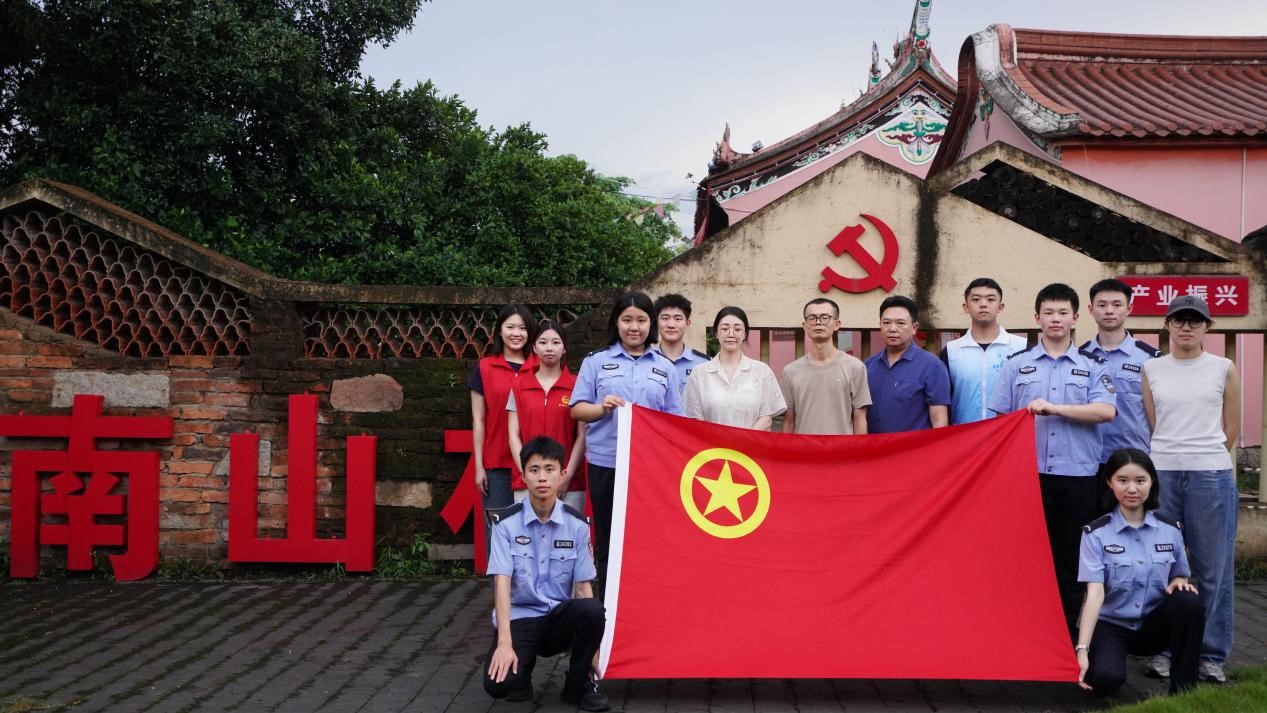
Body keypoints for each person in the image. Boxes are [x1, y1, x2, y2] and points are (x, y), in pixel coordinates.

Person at [989, 282, 1116, 639]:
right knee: (1025, 554)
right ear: (1036, 318)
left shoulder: (1092, 365)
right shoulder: (1018, 365)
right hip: (1027, 476)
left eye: (1063, 313)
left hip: (1078, 477)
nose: (1055, 319)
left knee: (1072, 556)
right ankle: (1024, 629)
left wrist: (1054, 408)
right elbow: (1000, 420)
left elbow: (1106, 411)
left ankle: (1068, 632)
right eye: (1048, 313)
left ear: (1076, 318)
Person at [1142, 295, 1241, 683]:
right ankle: (1166, 648)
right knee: (1163, 563)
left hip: (1210, 474)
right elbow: (1155, 422)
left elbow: (1231, 428)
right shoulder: (1152, 368)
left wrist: (1205, 453)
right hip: (1164, 471)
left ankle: (1211, 654)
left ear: (1207, 327)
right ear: (1167, 325)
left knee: (1213, 567)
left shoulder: (1223, 367)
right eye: (1179, 320)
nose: (1186, 327)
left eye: (1194, 321)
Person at [483, 436, 609, 711]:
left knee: (593, 610)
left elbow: (583, 588)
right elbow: (501, 584)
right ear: (523, 476)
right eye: (535, 470)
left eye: (550, 470)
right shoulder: (505, 524)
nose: (542, 478)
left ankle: (580, 685)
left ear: (562, 474)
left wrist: (593, 648)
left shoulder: (576, 526)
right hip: (521, 618)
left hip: (557, 617)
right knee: (500, 685)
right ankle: (522, 673)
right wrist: (505, 643)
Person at [571, 291, 682, 590]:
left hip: (650, 468)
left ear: (651, 324)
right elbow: (577, 409)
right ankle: (607, 610)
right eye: (627, 320)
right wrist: (600, 407)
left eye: (642, 320)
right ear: (616, 323)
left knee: (648, 537)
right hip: (606, 463)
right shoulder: (596, 362)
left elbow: (675, 422)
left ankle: (643, 601)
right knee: (608, 538)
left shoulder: (665, 368)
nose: (634, 327)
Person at [1074, 448, 1205, 697]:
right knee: (1106, 681)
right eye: (1123, 480)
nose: (1132, 489)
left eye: (1140, 480)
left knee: (1190, 603)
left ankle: (1184, 692)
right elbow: (1095, 593)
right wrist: (1082, 649)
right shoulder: (1096, 534)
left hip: (1151, 625)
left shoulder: (1170, 530)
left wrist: (1179, 581)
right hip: (1112, 624)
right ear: (1109, 483)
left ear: (1151, 482)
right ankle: (1096, 659)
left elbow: (1179, 574)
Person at [1081, 279, 1160, 513]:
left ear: (1129, 309)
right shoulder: (1080, 356)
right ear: (1090, 309)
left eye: (1117, 304)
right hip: (1091, 460)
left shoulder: (1149, 359)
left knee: (1135, 529)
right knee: (1092, 528)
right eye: (1102, 304)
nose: (1109, 311)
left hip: (1134, 460)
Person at [470, 303, 536, 552]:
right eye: (510, 327)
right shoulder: (485, 368)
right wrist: (479, 466)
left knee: (533, 533)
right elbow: (478, 420)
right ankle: (499, 591)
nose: (516, 333)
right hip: (496, 464)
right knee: (498, 534)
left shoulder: (539, 366)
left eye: (522, 327)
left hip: (533, 463)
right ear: (499, 331)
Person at [508, 320, 586, 511]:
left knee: (568, 538)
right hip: (526, 482)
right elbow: (513, 434)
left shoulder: (578, 386)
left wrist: (566, 476)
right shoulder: (519, 386)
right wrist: (527, 473)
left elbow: (582, 435)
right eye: (543, 342)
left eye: (556, 342)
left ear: (565, 348)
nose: (549, 348)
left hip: (568, 484)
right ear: (534, 347)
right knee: (526, 538)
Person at [940, 277, 1028, 425]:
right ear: (965, 306)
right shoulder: (950, 351)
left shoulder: (1022, 348)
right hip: (964, 435)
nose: (983, 304)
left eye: (990, 299)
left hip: (1008, 436)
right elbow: (943, 400)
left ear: (1000, 307)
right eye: (976, 299)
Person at [683, 306, 786, 430]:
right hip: (712, 447)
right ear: (717, 333)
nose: (731, 333)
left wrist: (743, 442)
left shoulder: (762, 371)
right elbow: (694, 418)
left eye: (737, 329)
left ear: (745, 334)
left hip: (750, 447)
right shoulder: (699, 373)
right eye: (725, 328)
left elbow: (766, 418)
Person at [780, 297, 871, 435]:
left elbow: (860, 418)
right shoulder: (791, 371)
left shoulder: (855, 367)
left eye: (824, 317)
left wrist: (859, 455)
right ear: (805, 326)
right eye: (812, 318)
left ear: (837, 324)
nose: (818, 322)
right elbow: (789, 420)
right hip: (804, 452)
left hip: (841, 452)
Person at [864, 295, 951, 433]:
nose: (892, 329)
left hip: (914, 451)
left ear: (914, 327)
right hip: (875, 451)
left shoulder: (932, 366)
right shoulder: (868, 366)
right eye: (886, 323)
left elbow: (939, 420)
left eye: (900, 323)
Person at [653, 293, 709, 398]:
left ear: (687, 323)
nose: (671, 325)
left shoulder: (705, 364)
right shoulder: (645, 361)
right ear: (656, 322)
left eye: (678, 319)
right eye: (665, 318)